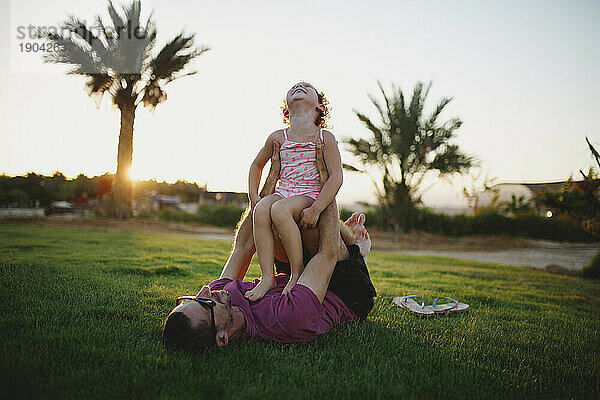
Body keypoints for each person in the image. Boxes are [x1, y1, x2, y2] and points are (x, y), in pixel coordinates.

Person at [162, 141, 376, 350]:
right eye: (204, 303)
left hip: (297, 278)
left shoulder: (220, 294)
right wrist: (324, 183)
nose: (205, 290)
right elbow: (326, 254)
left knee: (274, 219)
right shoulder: (287, 319)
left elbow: (243, 246)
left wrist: (269, 183)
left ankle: (347, 239)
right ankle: (354, 249)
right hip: (344, 293)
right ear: (222, 338)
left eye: (191, 298)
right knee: (313, 229)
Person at [246, 82, 344, 301]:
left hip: (309, 194)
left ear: (319, 106)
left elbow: (337, 175)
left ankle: (296, 272)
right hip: (284, 191)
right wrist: (254, 196)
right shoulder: (278, 137)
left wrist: (317, 208)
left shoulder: (324, 137)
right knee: (262, 209)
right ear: (286, 106)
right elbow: (256, 165)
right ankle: (267, 277)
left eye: (306, 87)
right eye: (294, 87)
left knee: (280, 210)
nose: (299, 86)